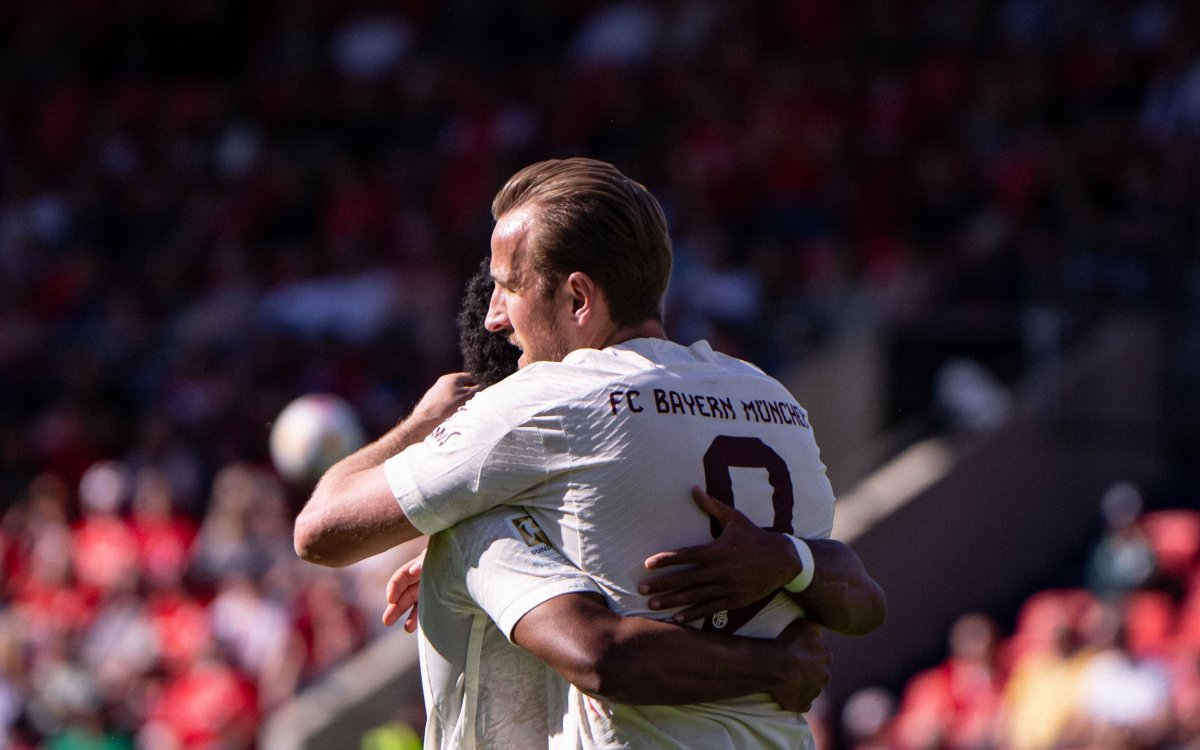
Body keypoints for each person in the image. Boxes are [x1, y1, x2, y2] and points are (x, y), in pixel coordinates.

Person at [295, 158, 885, 747]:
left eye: (509, 286)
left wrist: (421, 426)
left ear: (579, 297)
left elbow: (320, 533)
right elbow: (851, 595)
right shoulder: (770, 398)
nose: (495, 314)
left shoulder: (550, 398)